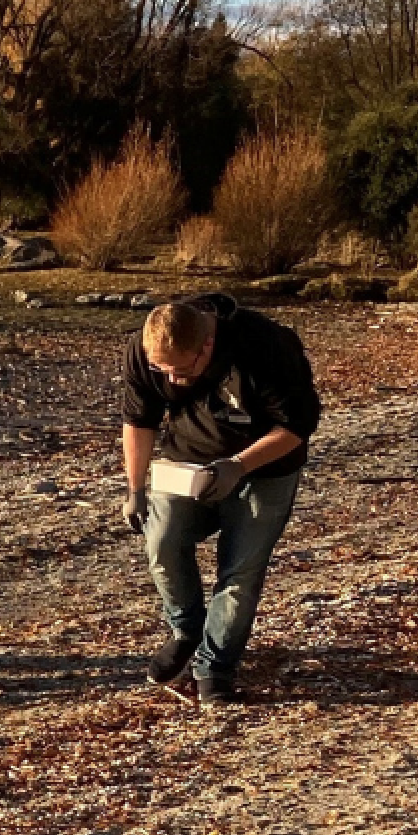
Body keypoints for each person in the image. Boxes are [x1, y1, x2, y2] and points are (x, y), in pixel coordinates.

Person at [119, 296, 320, 703]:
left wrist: (238, 467)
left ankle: (215, 666)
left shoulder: (264, 346)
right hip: (187, 463)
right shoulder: (146, 350)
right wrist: (135, 489)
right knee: (162, 542)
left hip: (266, 468)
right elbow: (140, 420)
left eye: (180, 371)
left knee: (240, 572)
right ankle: (186, 630)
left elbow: (298, 425)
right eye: (161, 370)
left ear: (206, 347)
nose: (172, 381)